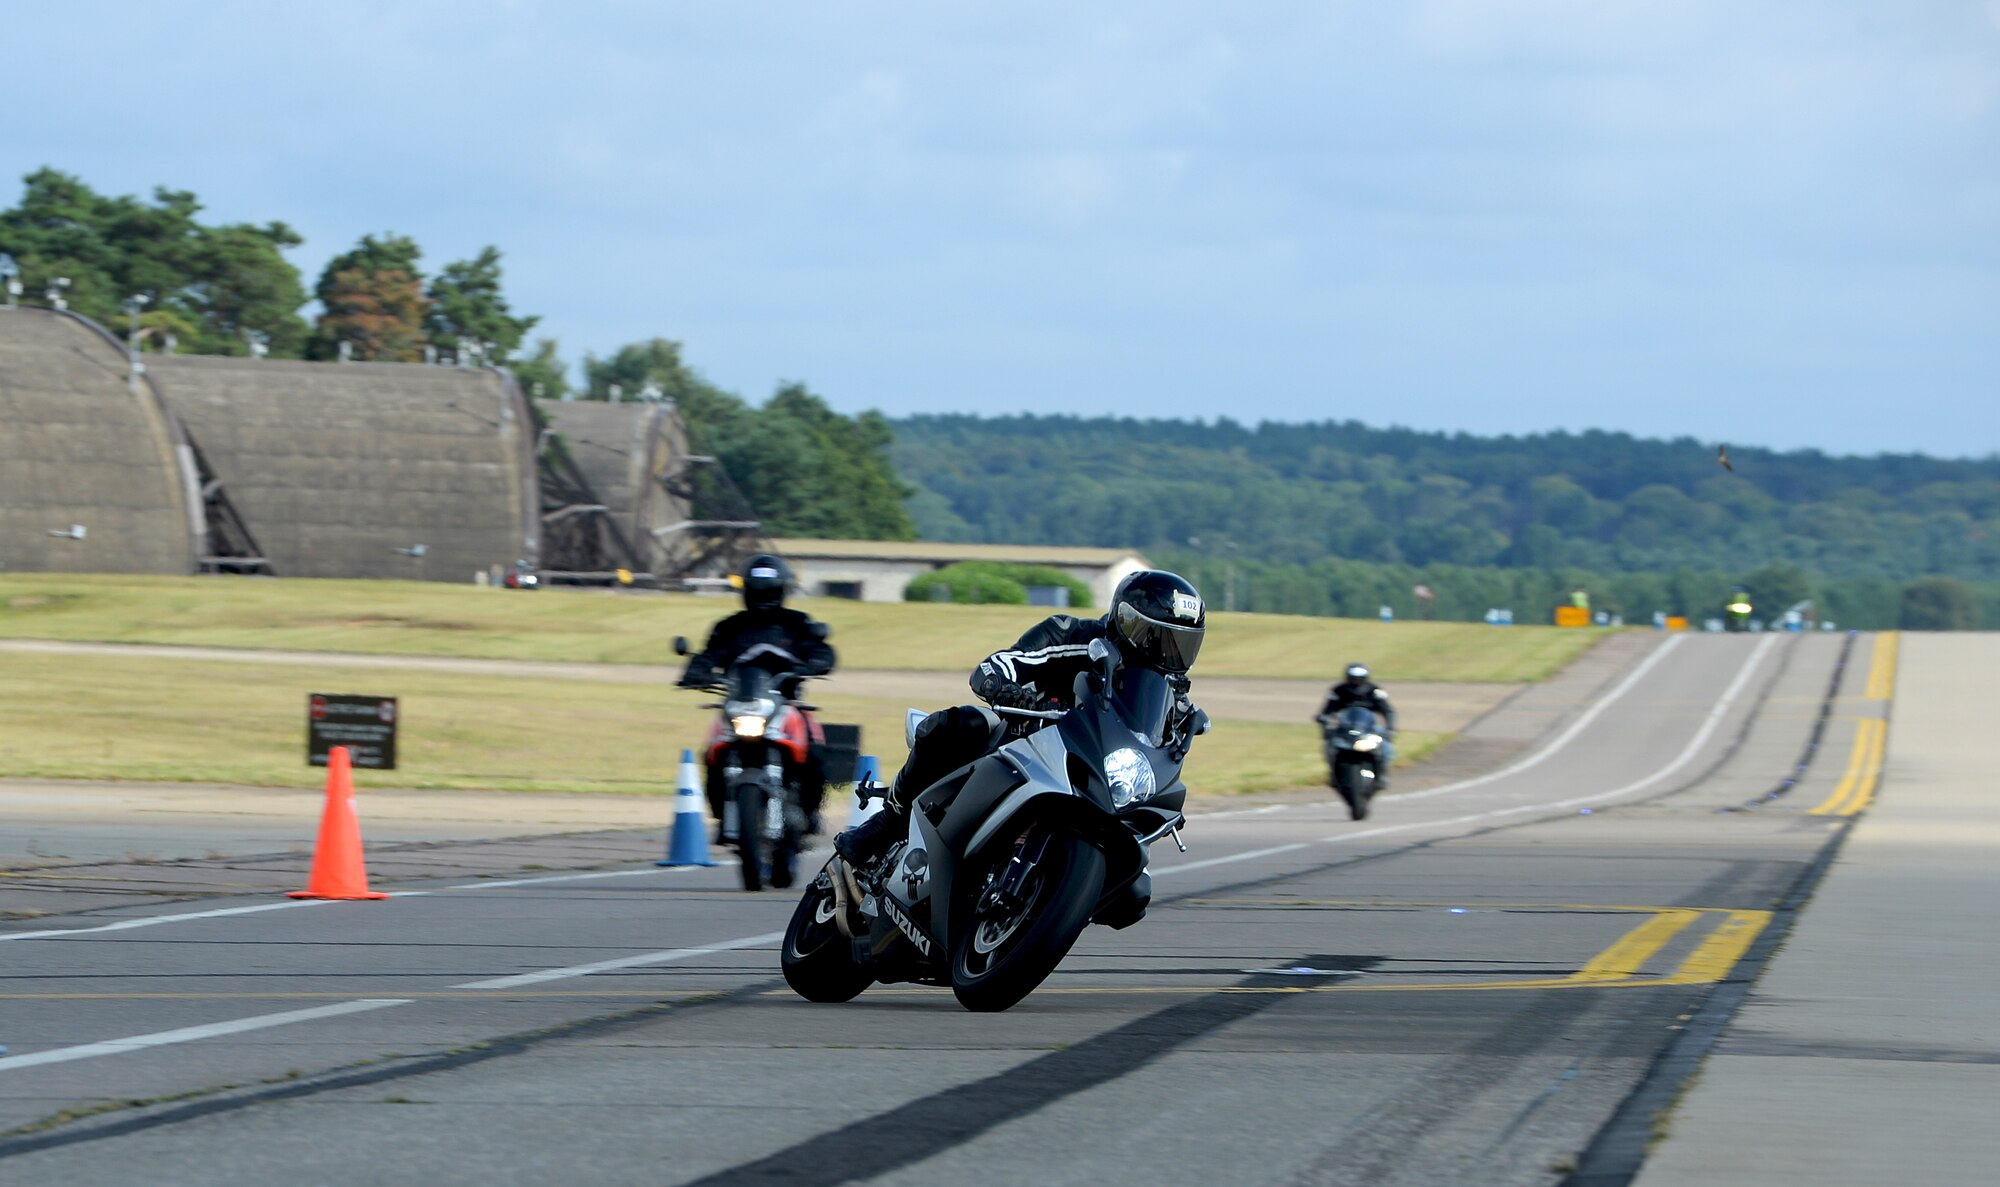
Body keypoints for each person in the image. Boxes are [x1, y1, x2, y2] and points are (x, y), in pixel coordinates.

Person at [835, 569, 1207, 865]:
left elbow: (1159, 750)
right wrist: (1005, 685)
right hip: (1020, 743)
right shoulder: (1072, 635)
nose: (1165, 652)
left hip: (1090, 777)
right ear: (1126, 623)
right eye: (1155, 638)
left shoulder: (1171, 698)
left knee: (1135, 894)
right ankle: (888, 822)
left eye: (1179, 644)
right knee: (956, 725)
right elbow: (1002, 664)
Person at [679, 554, 837, 830]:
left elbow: (821, 649)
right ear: (746, 591)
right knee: (712, 753)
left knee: (815, 752)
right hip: (740, 702)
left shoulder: (797, 624)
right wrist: (695, 674)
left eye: (770, 590)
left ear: (782, 591)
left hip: (788, 703)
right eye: (757, 590)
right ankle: (721, 811)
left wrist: (817, 663)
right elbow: (707, 655)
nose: (763, 596)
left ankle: (811, 812)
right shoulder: (729, 627)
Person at [1316, 663, 1396, 789]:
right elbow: (1327, 710)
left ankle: (1382, 774)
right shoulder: (1338, 690)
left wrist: (1390, 728)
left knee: (1385, 747)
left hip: (1369, 727)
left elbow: (1387, 711)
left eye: (1359, 678)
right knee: (1330, 746)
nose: (1356, 681)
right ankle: (1333, 774)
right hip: (1345, 727)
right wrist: (1324, 720)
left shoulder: (1374, 690)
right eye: (1353, 677)